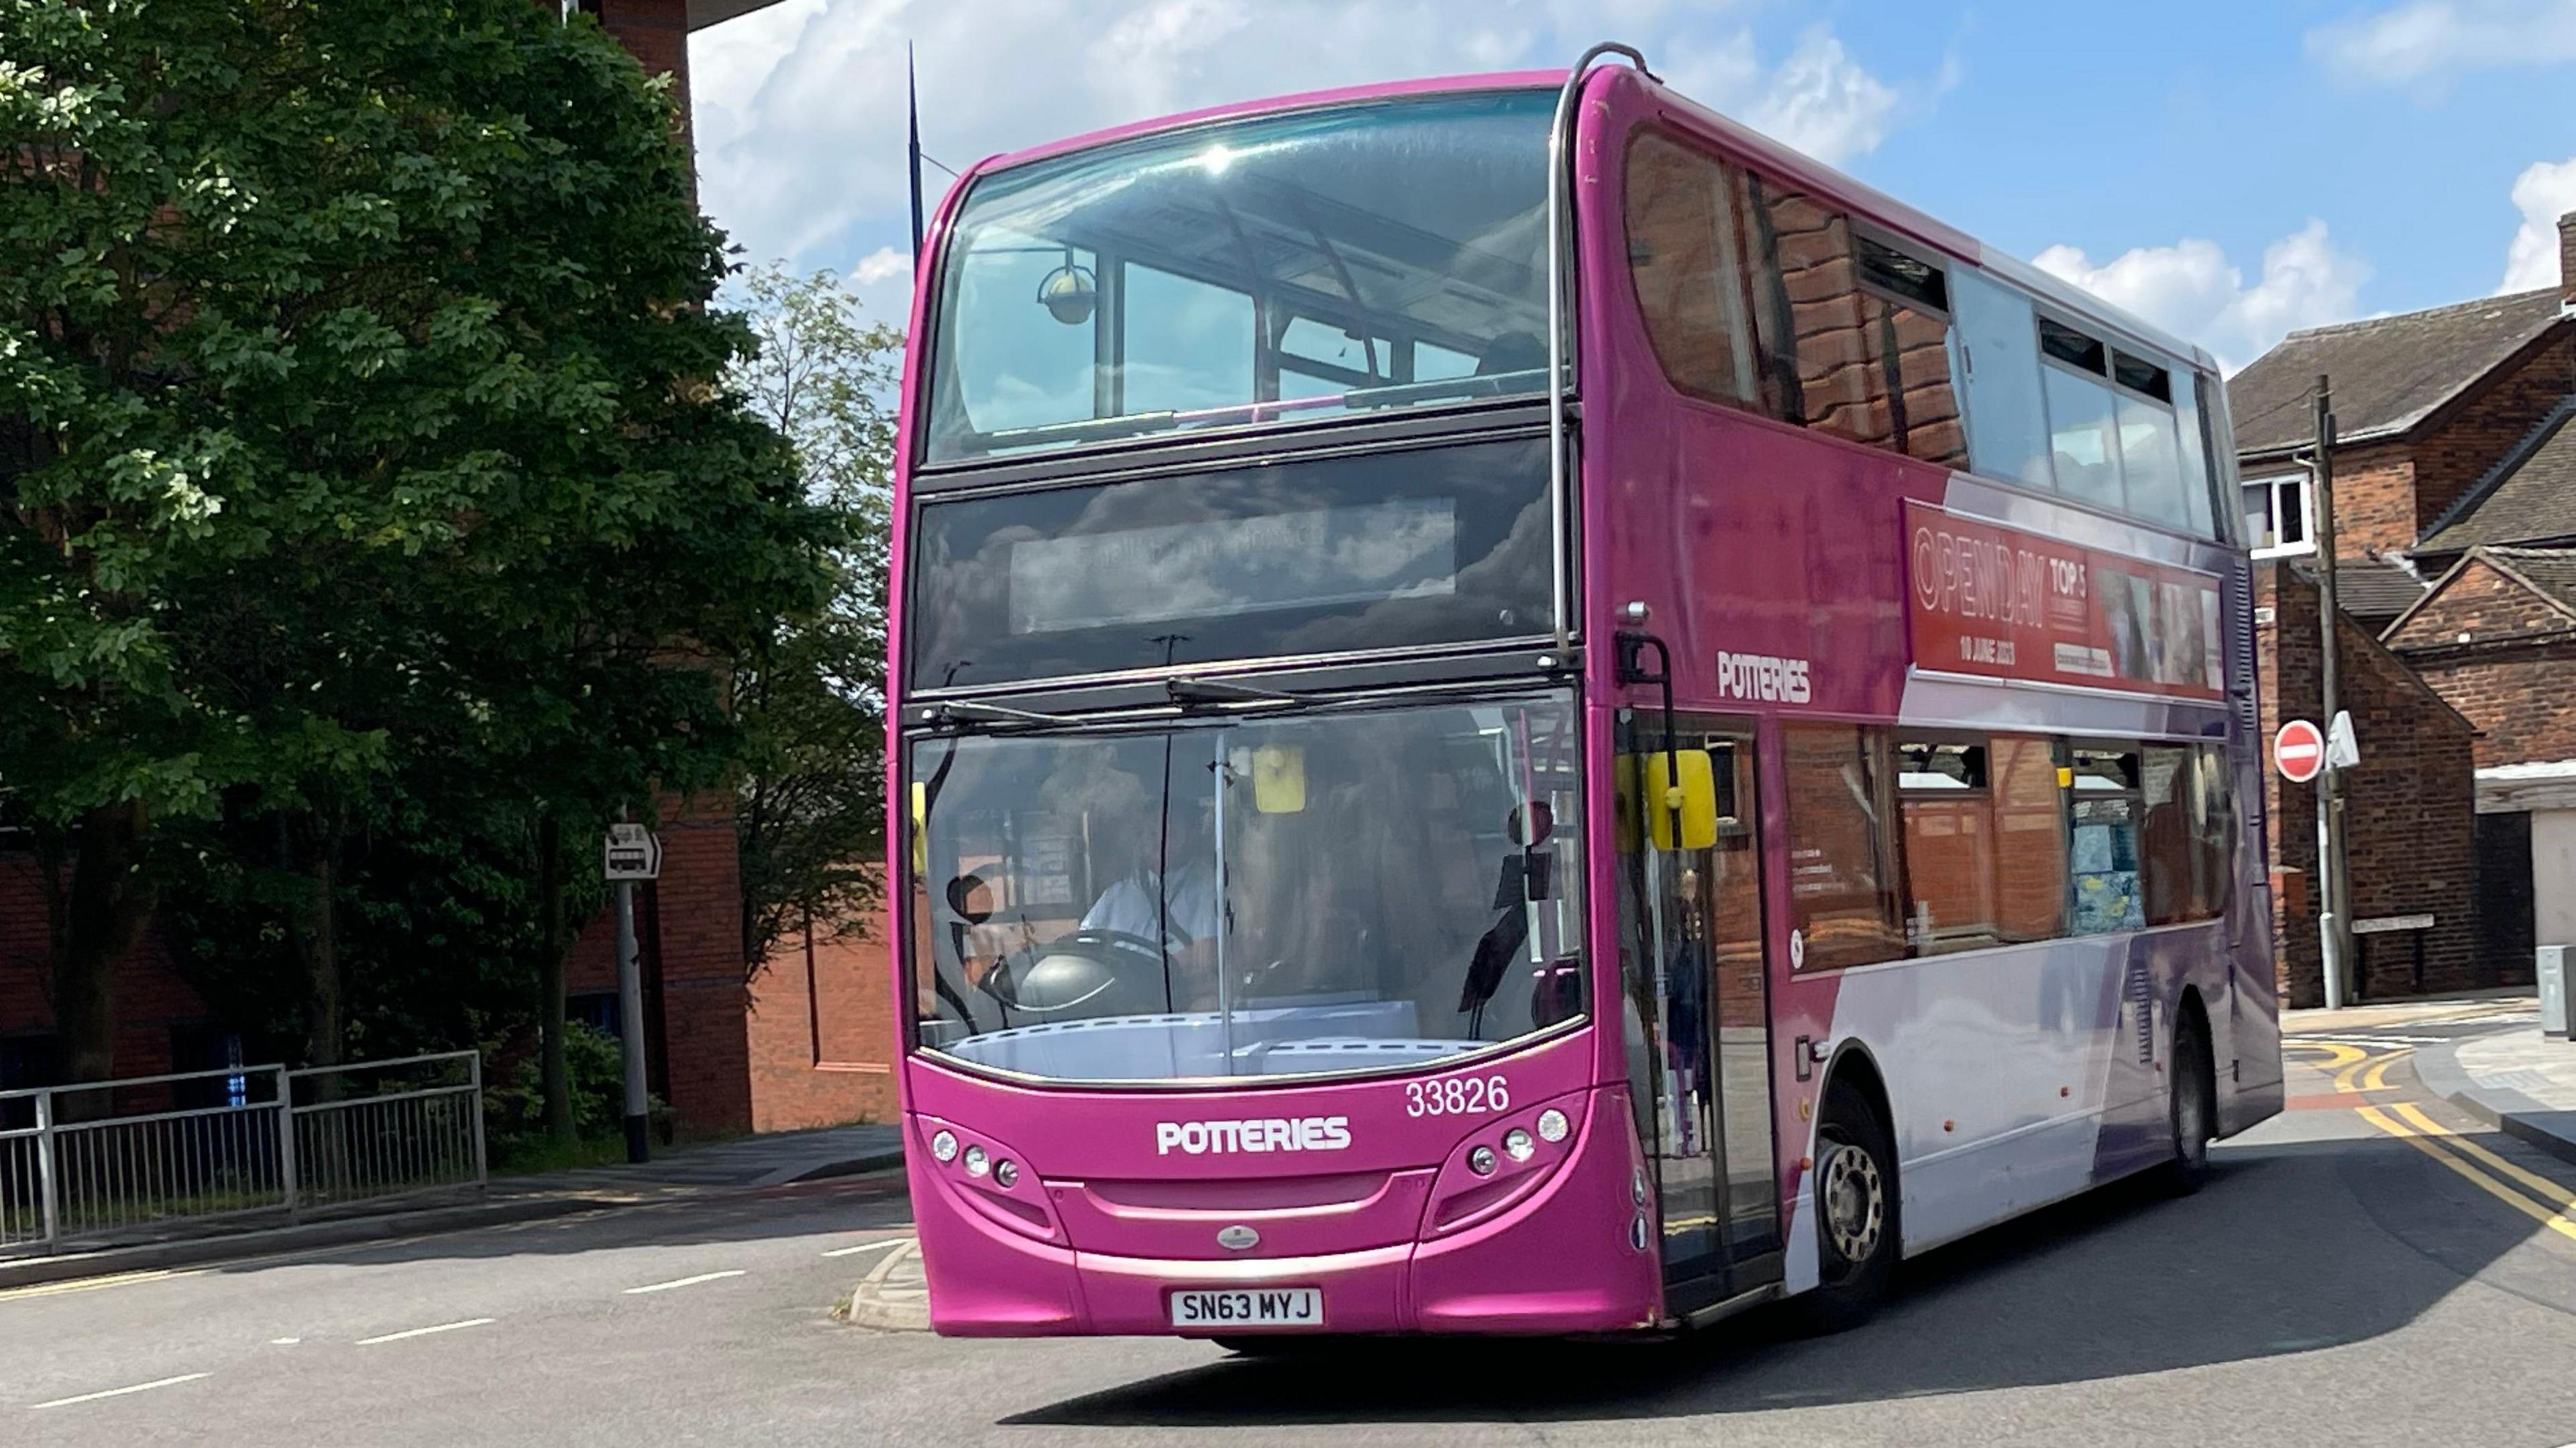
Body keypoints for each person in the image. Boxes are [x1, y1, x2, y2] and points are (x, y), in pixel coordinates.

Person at [1079, 789, 1224, 1009]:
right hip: (1115, 1005)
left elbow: (1207, 955)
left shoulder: (1208, 885)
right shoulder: (1118, 894)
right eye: (1149, 833)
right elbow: (1083, 948)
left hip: (1177, 1004)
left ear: (1191, 834)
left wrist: (1142, 978)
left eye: (1169, 833)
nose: (1157, 840)